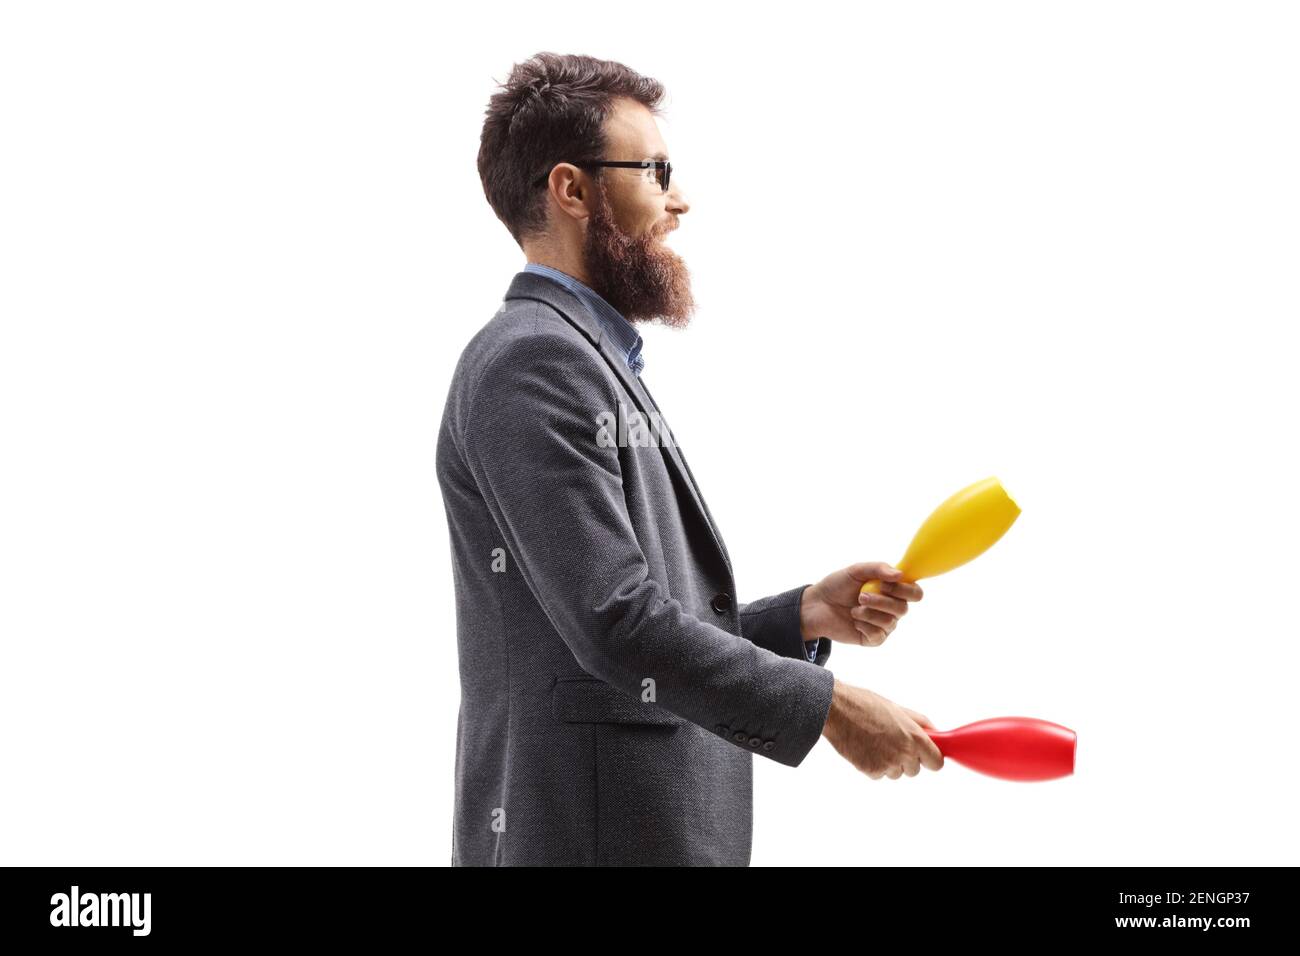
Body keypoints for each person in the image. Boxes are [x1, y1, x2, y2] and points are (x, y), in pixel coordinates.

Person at [436, 51, 943, 866]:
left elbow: (613, 636)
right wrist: (831, 707)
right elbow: (616, 625)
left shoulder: (575, 358)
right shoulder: (534, 363)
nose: (679, 199)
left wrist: (799, 616)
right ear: (572, 190)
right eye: (655, 169)